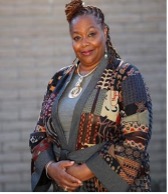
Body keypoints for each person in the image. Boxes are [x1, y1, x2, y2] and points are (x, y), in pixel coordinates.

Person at [29, 0, 152, 192]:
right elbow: (39, 134)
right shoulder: (59, 79)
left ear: (105, 31)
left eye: (91, 34)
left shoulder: (125, 75)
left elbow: (136, 137)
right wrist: (51, 168)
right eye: (77, 37)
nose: (84, 43)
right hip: (65, 186)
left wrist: (86, 170)